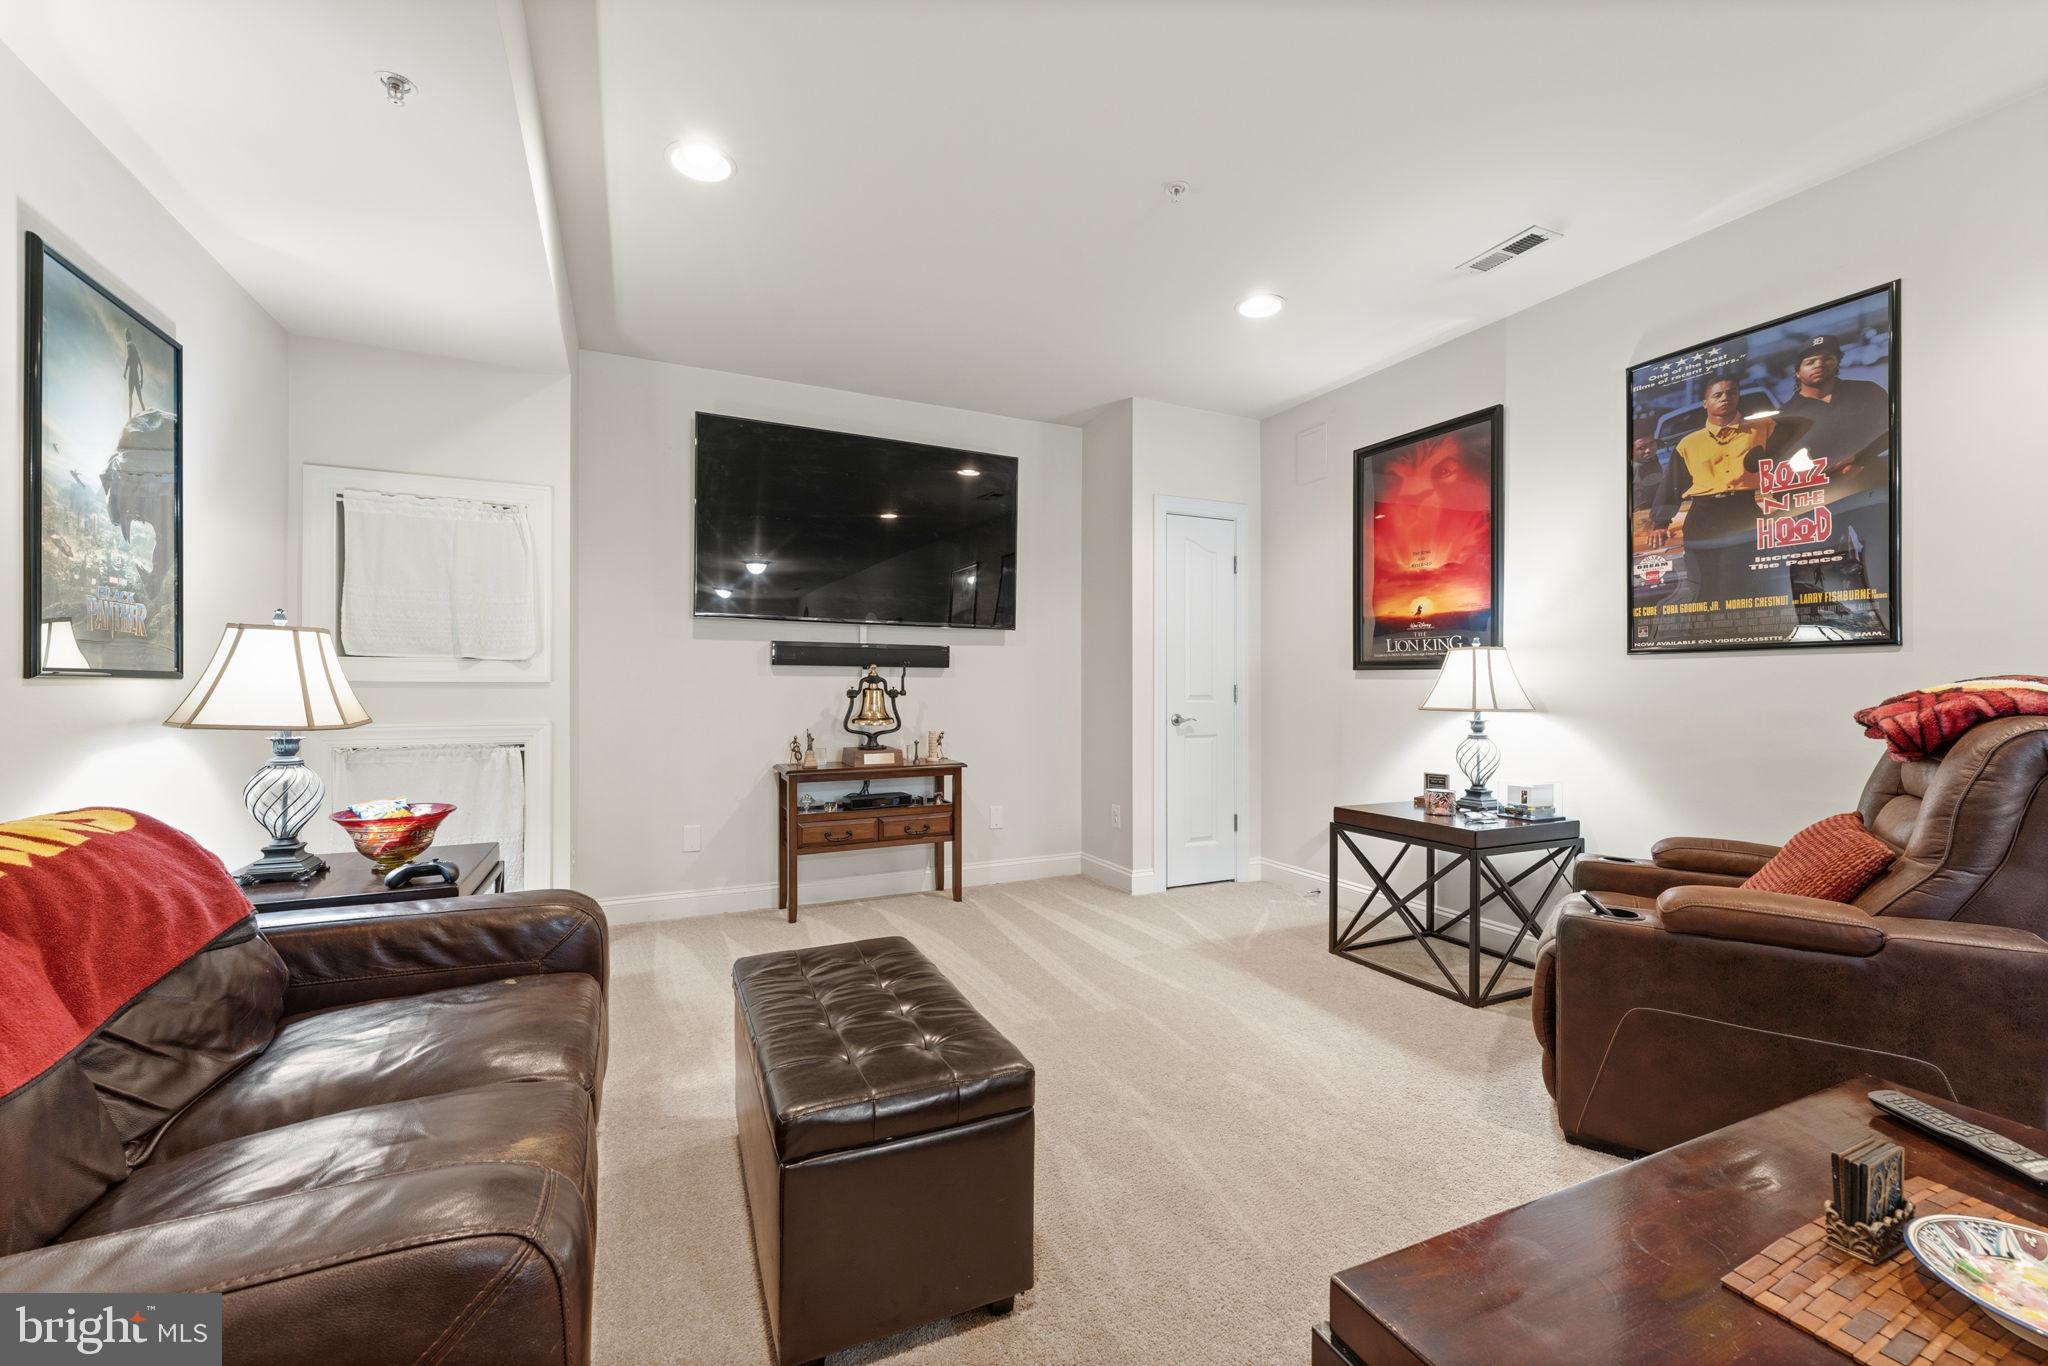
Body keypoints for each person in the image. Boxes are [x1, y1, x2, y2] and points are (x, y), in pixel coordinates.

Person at [1647, 376, 1809, 631]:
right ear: (1705, 402)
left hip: (1744, 511)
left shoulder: (1765, 428)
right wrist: (1659, 522)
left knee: (1747, 576)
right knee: (1705, 581)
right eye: (1717, 395)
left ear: (1738, 397)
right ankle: (1708, 636)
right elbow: (1673, 485)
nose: (1725, 398)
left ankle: (1751, 633)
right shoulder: (1688, 444)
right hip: (1703, 516)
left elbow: (1790, 459)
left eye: (1731, 393)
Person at [1778, 333, 1894, 632]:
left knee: (1883, 562)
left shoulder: (1868, 392)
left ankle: (1886, 624)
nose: (1820, 364)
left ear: (1838, 362)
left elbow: (1893, 430)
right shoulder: (1786, 417)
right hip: (1821, 503)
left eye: (1827, 358)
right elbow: (1783, 466)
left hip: (1876, 491)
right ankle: (1832, 633)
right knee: (1821, 572)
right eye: (1810, 361)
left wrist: (1862, 458)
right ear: (1797, 371)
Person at [123, 329, 145, 416]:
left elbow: (128, 358)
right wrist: (142, 380)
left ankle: (129, 416)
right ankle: (143, 409)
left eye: (126, 336)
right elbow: (141, 366)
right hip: (136, 374)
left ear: (128, 336)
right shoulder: (136, 351)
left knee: (130, 395)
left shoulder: (129, 344)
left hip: (132, 373)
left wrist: (125, 371)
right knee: (139, 395)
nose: (126, 338)